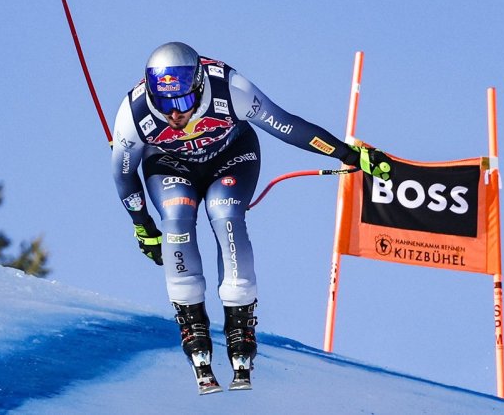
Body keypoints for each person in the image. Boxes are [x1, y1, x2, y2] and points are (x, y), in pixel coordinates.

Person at [110, 42, 391, 391]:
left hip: (231, 156)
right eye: (164, 104)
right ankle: (191, 321)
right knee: (177, 219)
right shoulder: (133, 114)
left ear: (198, 86)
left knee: (225, 213)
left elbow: (287, 126)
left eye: (182, 102)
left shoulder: (231, 89)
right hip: (170, 165)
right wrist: (143, 226)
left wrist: (348, 154)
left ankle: (240, 322)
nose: (174, 115)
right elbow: (124, 175)